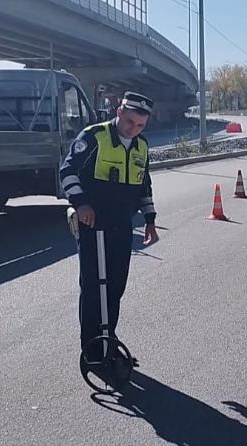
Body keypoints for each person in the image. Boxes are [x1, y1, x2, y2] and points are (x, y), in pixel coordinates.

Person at [60, 91, 159, 361]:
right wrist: (81, 204)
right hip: (93, 224)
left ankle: (108, 341)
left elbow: (143, 185)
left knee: (115, 286)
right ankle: (92, 349)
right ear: (119, 112)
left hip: (122, 225)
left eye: (140, 125)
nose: (133, 129)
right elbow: (67, 171)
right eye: (129, 122)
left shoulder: (141, 145)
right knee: (94, 286)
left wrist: (150, 220)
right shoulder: (94, 136)